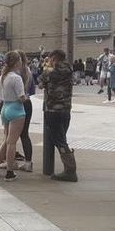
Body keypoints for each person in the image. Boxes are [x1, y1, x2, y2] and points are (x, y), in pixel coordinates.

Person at [0, 51, 27, 182]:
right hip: (16, 110)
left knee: (6, 139)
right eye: (19, 60)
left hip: (5, 108)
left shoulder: (3, 76)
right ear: (16, 62)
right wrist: (27, 98)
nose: (21, 62)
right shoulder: (16, 77)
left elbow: (0, 96)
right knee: (12, 142)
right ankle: (9, 172)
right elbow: (21, 97)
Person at [39, 49, 77, 182]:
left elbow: (40, 84)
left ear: (54, 58)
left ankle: (70, 170)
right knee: (62, 137)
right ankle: (69, 169)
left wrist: (46, 67)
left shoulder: (50, 72)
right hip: (66, 110)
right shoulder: (69, 70)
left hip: (52, 110)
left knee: (59, 140)